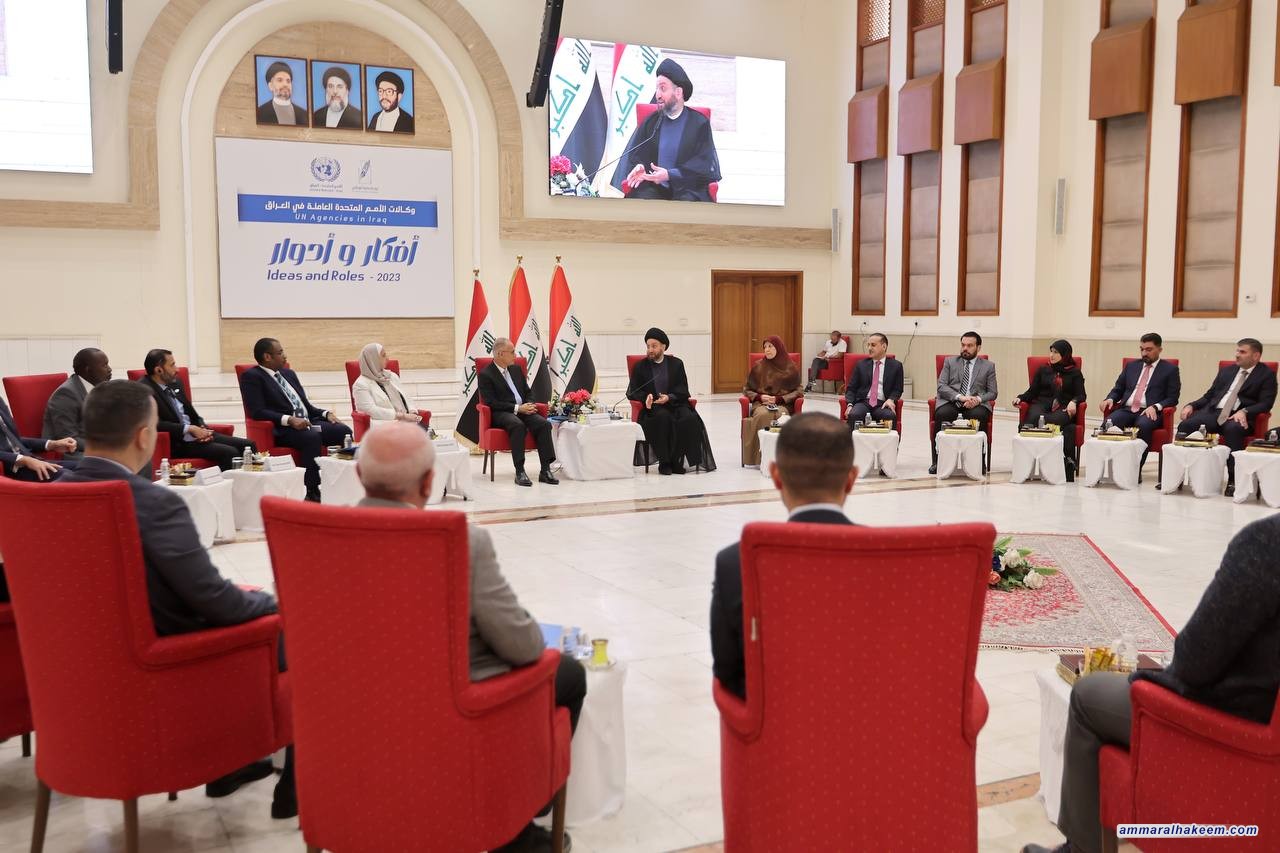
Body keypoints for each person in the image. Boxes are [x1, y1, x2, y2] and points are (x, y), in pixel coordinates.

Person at [58, 380, 295, 818]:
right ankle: (293, 776)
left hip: (82, 660)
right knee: (287, 625)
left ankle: (233, 761)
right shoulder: (152, 503)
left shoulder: (49, 494)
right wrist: (275, 606)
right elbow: (215, 601)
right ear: (143, 436)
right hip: (162, 654)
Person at [354, 422, 584, 853]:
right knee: (568, 673)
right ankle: (514, 825)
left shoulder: (313, 536)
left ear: (357, 475)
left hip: (352, 705)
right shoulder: (461, 542)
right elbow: (523, 647)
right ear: (429, 483)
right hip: (448, 706)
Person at [1021, 515, 1280, 853]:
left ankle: (1081, 849)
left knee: (1088, 694)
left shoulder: (1266, 542)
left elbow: (1194, 663)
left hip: (1232, 725)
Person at [711, 412, 857, 700]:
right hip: (871, 720)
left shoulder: (736, 563)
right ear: (851, 479)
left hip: (776, 723)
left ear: (776, 476)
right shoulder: (890, 561)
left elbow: (727, 671)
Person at [238, 338, 352, 502]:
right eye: (280, 352)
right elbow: (257, 412)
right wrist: (289, 420)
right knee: (311, 437)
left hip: (308, 422)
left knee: (342, 431)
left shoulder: (288, 374)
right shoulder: (252, 377)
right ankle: (311, 490)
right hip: (282, 429)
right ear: (267, 357)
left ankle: (340, 483)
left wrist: (326, 414)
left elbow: (306, 406)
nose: (285, 356)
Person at [1176, 338, 1276, 497]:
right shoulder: (1227, 371)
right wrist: (1191, 405)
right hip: (1214, 413)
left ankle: (1233, 480)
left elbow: (1266, 403)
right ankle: (1179, 476)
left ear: (1256, 356)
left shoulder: (1266, 375)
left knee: (1233, 429)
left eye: (1242, 352)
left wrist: (1245, 411)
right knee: (1186, 425)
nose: (1237, 355)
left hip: (1239, 417)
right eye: (1237, 351)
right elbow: (1209, 395)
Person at [611, 58, 721, 202]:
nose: (657, 95)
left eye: (663, 88)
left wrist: (670, 175)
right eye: (657, 89)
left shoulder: (699, 123)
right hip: (655, 188)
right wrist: (640, 166)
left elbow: (703, 165)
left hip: (688, 188)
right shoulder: (651, 122)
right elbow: (638, 155)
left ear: (678, 92)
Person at [139, 349, 256, 471]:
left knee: (248, 445)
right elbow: (154, 424)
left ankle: (252, 481)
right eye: (172, 365)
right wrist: (189, 429)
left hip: (196, 435)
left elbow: (192, 414)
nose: (177, 369)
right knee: (230, 452)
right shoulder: (144, 390)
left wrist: (202, 429)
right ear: (159, 370)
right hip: (178, 443)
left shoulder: (175, 382)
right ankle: (228, 483)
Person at [628, 328, 717, 475]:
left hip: (675, 404)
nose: (650, 350)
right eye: (648, 346)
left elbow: (683, 389)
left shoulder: (676, 364)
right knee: (663, 418)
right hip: (654, 408)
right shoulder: (640, 366)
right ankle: (665, 462)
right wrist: (646, 398)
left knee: (689, 419)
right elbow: (633, 391)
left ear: (663, 347)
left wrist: (669, 397)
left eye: (654, 346)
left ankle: (677, 461)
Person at [477, 338, 558, 487]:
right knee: (517, 425)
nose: (515, 355)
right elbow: (491, 403)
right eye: (512, 352)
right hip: (502, 412)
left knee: (544, 424)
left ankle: (545, 470)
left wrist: (530, 405)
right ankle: (520, 471)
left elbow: (528, 392)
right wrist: (517, 408)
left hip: (523, 410)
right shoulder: (486, 374)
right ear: (500, 354)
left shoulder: (516, 369)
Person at [1098, 333, 1180, 471]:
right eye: (1142, 349)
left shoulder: (1170, 370)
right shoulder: (1131, 366)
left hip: (1149, 411)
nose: (1144, 353)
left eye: (1148, 349)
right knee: (1109, 423)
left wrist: (1156, 407)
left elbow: (1173, 397)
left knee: (1143, 426)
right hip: (1127, 409)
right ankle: (1111, 468)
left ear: (1159, 349)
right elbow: (1118, 388)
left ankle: (1135, 469)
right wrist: (1110, 399)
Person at [1012, 340, 1086, 482]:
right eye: (1051, 351)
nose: (1051, 355)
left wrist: (1074, 401)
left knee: (1055, 421)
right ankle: (1026, 463)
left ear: (1065, 354)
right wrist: (1020, 398)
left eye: (1056, 352)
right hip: (1042, 403)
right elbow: (1032, 392)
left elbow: (1081, 394)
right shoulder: (1043, 369)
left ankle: (1053, 462)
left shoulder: (1074, 372)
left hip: (1063, 406)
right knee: (1033, 417)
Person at [930, 332, 998, 475]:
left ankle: (979, 462)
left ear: (978, 347)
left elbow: (993, 392)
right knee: (942, 414)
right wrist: (960, 397)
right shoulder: (949, 362)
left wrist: (977, 399)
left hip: (975, 404)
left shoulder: (988, 366)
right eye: (963, 345)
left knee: (979, 416)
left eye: (969, 345)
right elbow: (941, 386)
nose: (965, 348)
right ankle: (938, 461)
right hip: (952, 400)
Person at [740, 336, 802, 466]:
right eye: (765, 347)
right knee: (763, 415)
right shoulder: (758, 366)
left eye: (770, 346)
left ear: (779, 348)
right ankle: (760, 458)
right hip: (761, 404)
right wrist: (759, 397)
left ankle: (781, 457)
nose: (767, 350)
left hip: (782, 404)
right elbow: (746, 389)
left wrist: (779, 398)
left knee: (780, 416)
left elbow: (799, 390)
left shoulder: (790, 367)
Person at [42, 347, 112, 457]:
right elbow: (67, 438)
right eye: (105, 365)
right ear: (88, 370)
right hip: (73, 453)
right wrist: (105, 446)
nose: (109, 369)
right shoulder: (66, 394)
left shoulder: (100, 386)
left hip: (94, 447)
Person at [0, 394, 76, 481]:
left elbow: (15, 441)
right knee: (71, 477)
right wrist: (23, 460)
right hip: (11, 470)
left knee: (83, 468)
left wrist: (51, 444)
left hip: (31, 461)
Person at [352, 343, 424, 430]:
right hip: (384, 426)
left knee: (425, 432)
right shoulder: (361, 384)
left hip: (405, 423)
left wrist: (413, 413)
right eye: (383, 355)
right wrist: (401, 416)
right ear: (372, 359)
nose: (387, 358)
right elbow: (370, 410)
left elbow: (406, 397)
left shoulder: (391, 376)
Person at [844, 333, 903, 426]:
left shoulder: (896, 366)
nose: (869, 348)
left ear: (884, 346)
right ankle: (850, 436)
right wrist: (850, 405)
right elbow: (851, 388)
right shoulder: (861, 365)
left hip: (882, 403)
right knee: (854, 414)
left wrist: (891, 399)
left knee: (889, 416)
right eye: (868, 345)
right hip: (863, 402)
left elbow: (898, 389)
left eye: (873, 345)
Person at [255, 60, 306, 126]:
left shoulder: (304, 114)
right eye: (280, 80)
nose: (285, 84)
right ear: (270, 86)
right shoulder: (260, 113)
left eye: (288, 81)